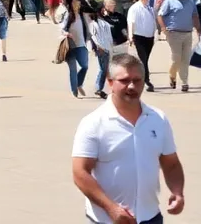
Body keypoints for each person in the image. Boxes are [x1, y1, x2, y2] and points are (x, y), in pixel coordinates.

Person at [72, 54, 185, 224]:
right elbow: (80, 173)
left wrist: (177, 192)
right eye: (124, 80)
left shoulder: (158, 119)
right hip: (107, 220)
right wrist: (111, 208)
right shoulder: (93, 123)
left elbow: (171, 163)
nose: (132, 86)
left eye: (137, 80)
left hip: (150, 217)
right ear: (110, 82)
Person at [155, 0, 200, 91]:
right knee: (176, 58)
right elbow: (160, 15)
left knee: (185, 59)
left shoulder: (190, 0)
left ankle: (184, 82)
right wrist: (163, 29)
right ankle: (172, 75)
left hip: (188, 33)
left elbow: (194, 15)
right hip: (173, 33)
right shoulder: (170, 1)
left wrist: (198, 29)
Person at [126, 0, 158, 92]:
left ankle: (139, 77)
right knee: (143, 59)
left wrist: (156, 33)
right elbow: (131, 22)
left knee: (145, 60)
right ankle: (147, 81)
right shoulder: (135, 8)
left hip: (150, 37)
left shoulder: (150, 8)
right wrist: (130, 36)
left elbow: (153, 21)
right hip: (139, 37)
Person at [63, 0, 93, 98]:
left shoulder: (82, 15)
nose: (78, 6)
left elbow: (87, 29)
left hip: (81, 45)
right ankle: (74, 90)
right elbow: (62, 29)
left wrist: (90, 41)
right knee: (73, 69)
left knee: (85, 66)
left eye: (79, 5)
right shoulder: (68, 15)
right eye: (76, 4)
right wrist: (67, 33)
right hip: (70, 46)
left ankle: (79, 83)